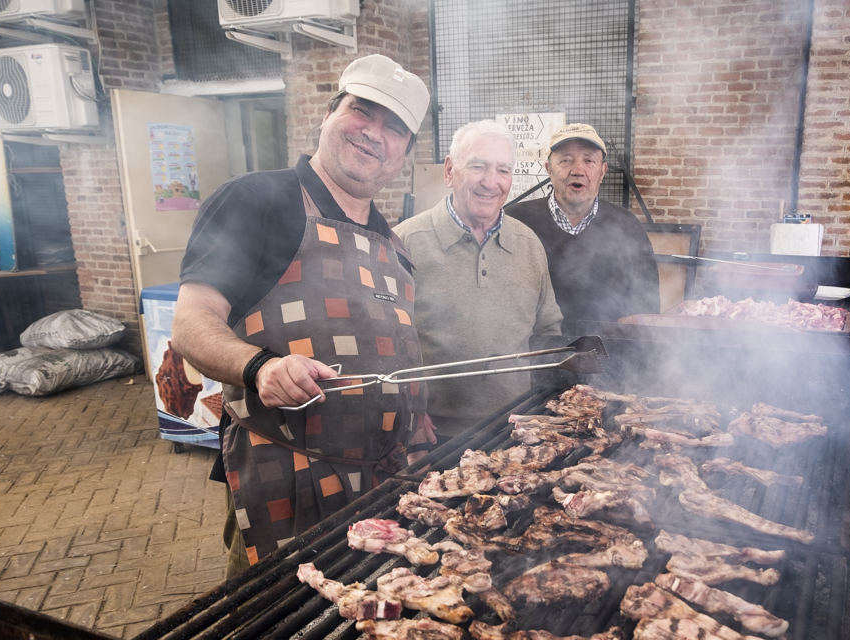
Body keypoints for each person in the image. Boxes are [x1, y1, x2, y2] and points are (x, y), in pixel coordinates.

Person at [171, 55, 433, 578]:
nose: (373, 133)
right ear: (329, 113)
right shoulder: (258, 200)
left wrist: (419, 430)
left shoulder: (395, 244)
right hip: (285, 477)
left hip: (382, 483)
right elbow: (191, 322)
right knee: (273, 616)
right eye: (361, 111)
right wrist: (260, 367)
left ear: (404, 153)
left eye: (394, 128)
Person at [397, 120, 563, 438]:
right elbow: (382, 342)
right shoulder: (406, 241)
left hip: (514, 430)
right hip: (430, 433)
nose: (491, 182)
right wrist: (407, 406)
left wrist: (541, 409)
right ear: (449, 171)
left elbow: (547, 333)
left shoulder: (528, 244)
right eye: (478, 166)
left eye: (503, 170)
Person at [505, 123, 661, 332]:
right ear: (549, 170)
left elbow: (647, 307)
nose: (578, 170)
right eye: (566, 160)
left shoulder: (628, 226)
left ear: (602, 171)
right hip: (534, 349)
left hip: (607, 349)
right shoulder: (515, 221)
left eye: (589, 161)